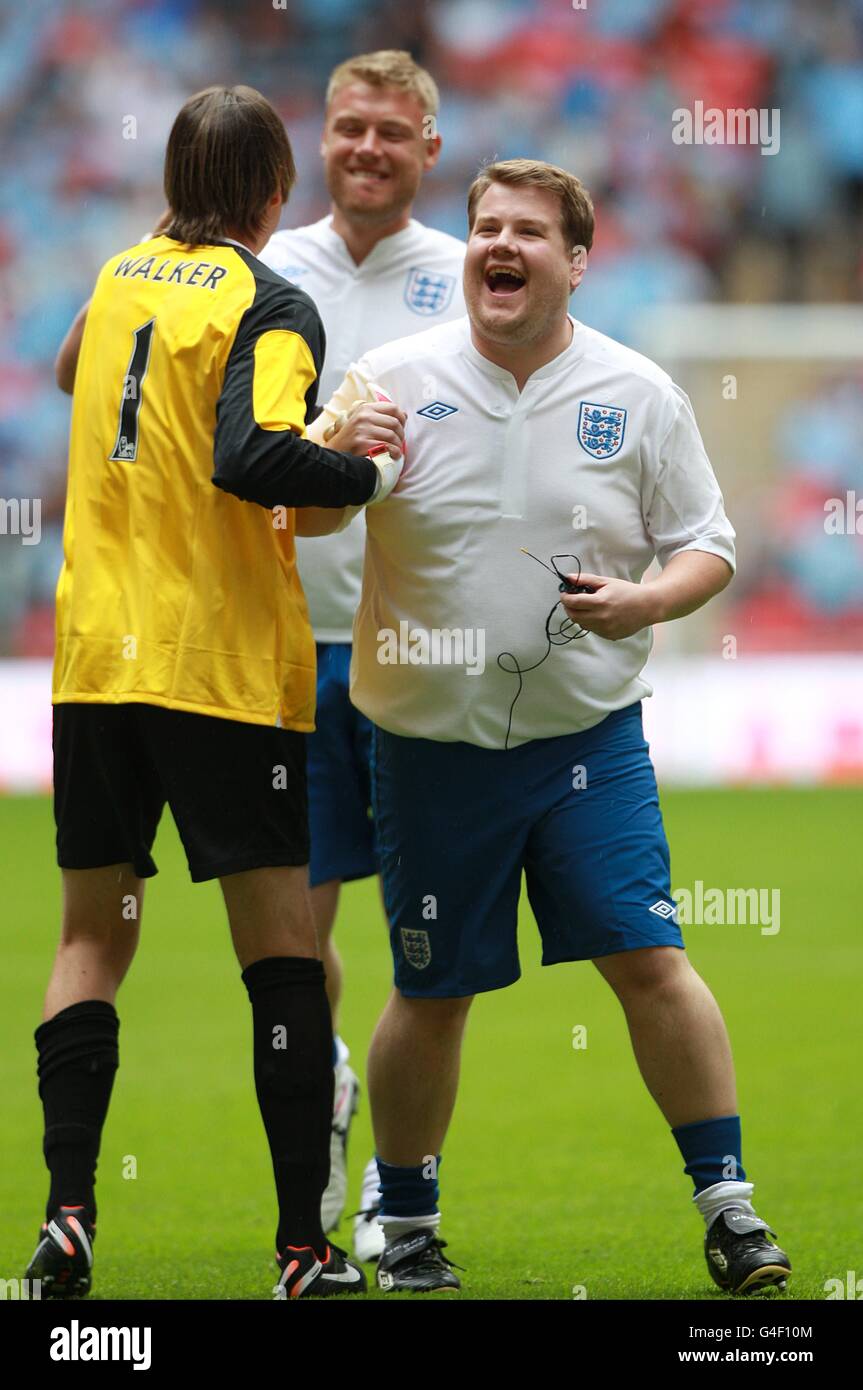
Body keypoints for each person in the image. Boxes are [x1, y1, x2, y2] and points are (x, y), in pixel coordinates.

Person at [306, 158, 793, 1296]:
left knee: (648, 959)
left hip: (587, 743)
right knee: (430, 991)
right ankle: (412, 1224)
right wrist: (334, 447)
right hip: (426, 752)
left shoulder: (637, 392)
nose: (498, 245)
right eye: (484, 228)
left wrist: (645, 601)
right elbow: (312, 513)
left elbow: (707, 543)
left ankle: (728, 1209)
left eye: (528, 230)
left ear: (577, 261)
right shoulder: (390, 379)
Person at [54, 51, 466, 1260]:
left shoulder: (122, 274)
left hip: (97, 664)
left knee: (90, 938)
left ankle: (64, 1214)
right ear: (282, 181)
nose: (363, 150)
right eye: (341, 133)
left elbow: (83, 371)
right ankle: (304, 1243)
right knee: (288, 953)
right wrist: (360, 461)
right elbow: (250, 458)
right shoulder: (270, 291)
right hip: (225, 661)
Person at [261, 49, 465, 1255]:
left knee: (425, 935)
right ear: (319, 139)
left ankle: (402, 1188)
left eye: (393, 132)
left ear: (427, 148)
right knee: (294, 927)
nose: (369, 148)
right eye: (349, 128)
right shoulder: (264, 266)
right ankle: (330, 1073)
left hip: (418, 649)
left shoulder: (474, 272)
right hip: (282, 647)